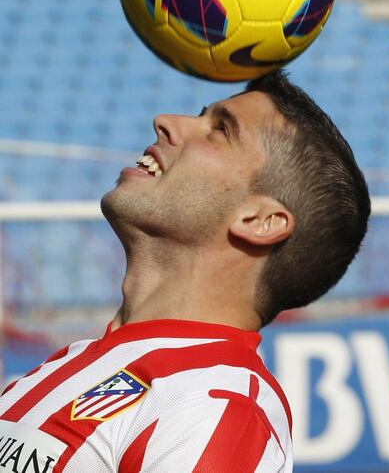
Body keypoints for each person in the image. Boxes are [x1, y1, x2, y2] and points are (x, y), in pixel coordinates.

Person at [0, 70, 370, 472]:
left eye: (221, 130)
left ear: (259, 220)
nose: (166, 120)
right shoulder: (71, 362)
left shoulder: (216, 405)